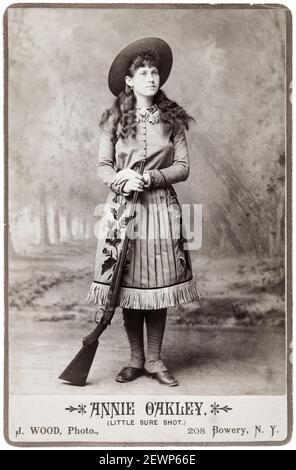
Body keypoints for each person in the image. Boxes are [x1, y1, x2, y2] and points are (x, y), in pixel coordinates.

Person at [86, 37, 200, 387]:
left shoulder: (173, 120)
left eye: (155, 72)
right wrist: (121, 180)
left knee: (156, 285)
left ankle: (154, 360)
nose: (151, 78)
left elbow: (182, 167)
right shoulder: (114, 121)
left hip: (162, 210)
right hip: (122, 213)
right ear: (130, 81)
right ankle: (135, 359)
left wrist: (150, 177)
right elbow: (103, 167)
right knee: (128, 284)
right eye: (143, 73)